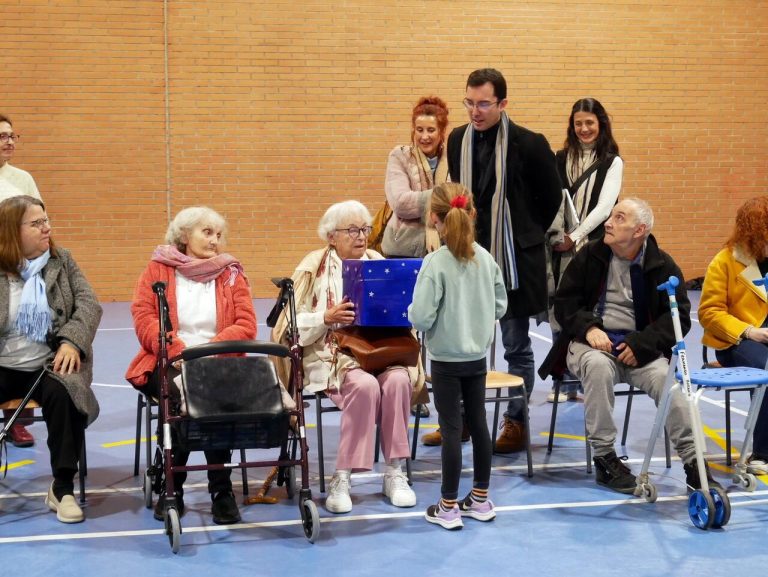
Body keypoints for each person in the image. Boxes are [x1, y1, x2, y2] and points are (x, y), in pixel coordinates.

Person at [539, 198, 721, 493]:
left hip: (640, 349)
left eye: (619, 218)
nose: (609, 223)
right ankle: (605, 459)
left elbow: (677, 320)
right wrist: (590, 327)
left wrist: (643, 344)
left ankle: (695, 465)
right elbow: (564, 305)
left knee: (669, 381)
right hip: (591, 345)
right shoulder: (590, 256)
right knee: (597, 367)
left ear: (640, 230)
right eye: (611, 216)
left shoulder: (663, 264)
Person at [274, 200, 422, 514]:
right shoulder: (312, 267)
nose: (361, 236)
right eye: (352, 230)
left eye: (365, 229)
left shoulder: (378, 261)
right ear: (331, 236)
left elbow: (403, 313)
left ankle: (394, 472)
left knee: (398, 380)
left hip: (379, 352)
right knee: (364, 386)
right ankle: (343, 476)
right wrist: (325, 318)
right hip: (330, 355)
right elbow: (288, 327)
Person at [446, 68, 562, 452]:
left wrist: (522, 233)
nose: (475, 111)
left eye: (483, 104)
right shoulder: (457, 139)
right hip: (465, 256)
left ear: (502, 104)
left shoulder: (530, 144)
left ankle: (516, 421)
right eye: (469, 102)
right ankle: (461, 420)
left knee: (516, 345)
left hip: (513, 259)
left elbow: (550, 199)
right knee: (463, 344)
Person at [125, 206, 256, 525]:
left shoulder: (231, 272)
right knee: (181, 395)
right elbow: (144, 317)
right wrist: (177, 350)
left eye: (218, 234)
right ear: (185, 236)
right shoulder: (158, 268)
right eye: (207, 232)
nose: (215, 240)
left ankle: (220, 489)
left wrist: (212, 351)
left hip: (217, 359)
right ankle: (174, 487)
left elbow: (246, 323)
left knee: (213, 391)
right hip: (169, 358)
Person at [409, 183, 506, 530]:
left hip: (447, 361)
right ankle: (479, 500)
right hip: (477, 357)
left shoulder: (435, 263)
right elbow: (501, 305)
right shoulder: (486, 258)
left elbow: (420, 316)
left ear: (435, 219)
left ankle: (448, 506)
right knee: (478, 424)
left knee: (451, 429)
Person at [0, 195, 101, 523]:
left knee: (66, 394)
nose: (47, 228)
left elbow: (88, 304)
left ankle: (62, 488)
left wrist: (71, 341)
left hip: (49, 362)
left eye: (46, 221)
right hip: (3, 364)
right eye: (37, 223)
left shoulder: (62, 260)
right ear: (12, 232)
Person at [546, 98, 623, 403]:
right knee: (558, 311)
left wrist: (575, 236)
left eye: (590, 122)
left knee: (588, 313)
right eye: (578, 123)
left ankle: (587, 378)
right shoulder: (559, 157)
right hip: (560, 249)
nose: (584, 128)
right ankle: (562, 382)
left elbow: (605, 208)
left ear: (601, 123)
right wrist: (557, 236)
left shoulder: (612, 162)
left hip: (593, 250)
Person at [383, 95, 450, 420]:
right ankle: (414, 389)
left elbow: (466, 201)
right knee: (407, 327)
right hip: (402, 253)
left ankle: (448, 389)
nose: (424, 136)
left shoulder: (456, 155)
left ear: (442, 131)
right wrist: (445, 199)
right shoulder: (399, 156)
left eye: (431, 130)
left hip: (445, 254)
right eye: (419, 129)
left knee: (440, 325)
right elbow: (400, 203)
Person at [699, 196, 768, 474]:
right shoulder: (725, 261)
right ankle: (762, 452)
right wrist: (750, 331)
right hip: (737, 341)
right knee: (766, 371)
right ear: (754, 232)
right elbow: (709, 313)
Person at [0, 114, 42, 447]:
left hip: (20, 269)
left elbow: (40, 217)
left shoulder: (22, 178)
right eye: (2, 136)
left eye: (13, 135)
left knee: (26, 342)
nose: (9, 141)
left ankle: (16, 422)